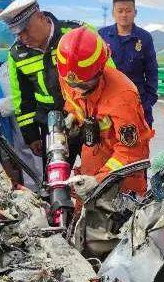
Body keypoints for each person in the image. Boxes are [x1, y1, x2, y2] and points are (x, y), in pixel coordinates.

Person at [57, 28, 153, 257]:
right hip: (90, 167)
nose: (77, 89)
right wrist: (73, 116)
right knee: (81, 240)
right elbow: (73, 99)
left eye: (83, 85)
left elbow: (132, 153)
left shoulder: (123, 96)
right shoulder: (73, 74)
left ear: (100, 70)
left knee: (117, 250)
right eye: (74, 84)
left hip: (122, 183)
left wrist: (99, 180)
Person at [0, 0, 87, 168]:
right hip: (52, 125)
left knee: (96, 176)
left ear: (40, 17)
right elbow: (23, 98)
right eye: (16, 33)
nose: (22, 37)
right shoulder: (17, 54)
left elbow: (108, 75)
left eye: (25, 29)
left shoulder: (76, 34)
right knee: (55, 179)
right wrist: (31, 135)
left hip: (87, 120)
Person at [99, 0, 158, 127]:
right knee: (109, 145)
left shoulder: (144, 38)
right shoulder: (102, 35)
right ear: (113, 13)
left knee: (140, 143)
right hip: (108, 103)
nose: (124, 15)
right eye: (120, 11)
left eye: (128, 11)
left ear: (135, 12)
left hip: (138, 102)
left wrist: (148, 100)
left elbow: (152, 70)